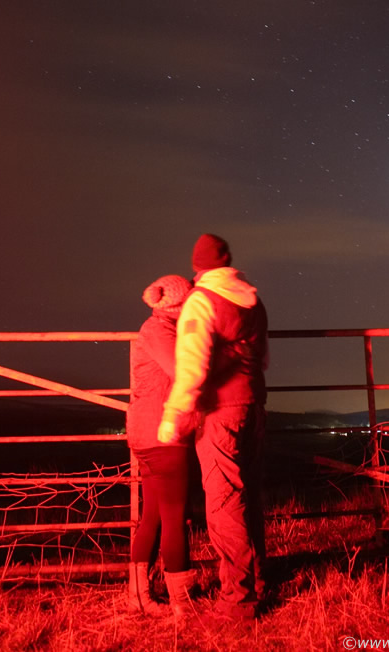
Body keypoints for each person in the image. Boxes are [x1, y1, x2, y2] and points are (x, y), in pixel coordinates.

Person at [158, 234, 268, 623]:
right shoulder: (252, 299)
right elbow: (263, 356)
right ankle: (257, 582)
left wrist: (173, 416)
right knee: (249, 497)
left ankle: (236, 601)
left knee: (223, 502)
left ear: (197, 267)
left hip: (220, 411)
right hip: (253, 405)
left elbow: (191, 367)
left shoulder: (201, 301)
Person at [126, 273, 198, 617]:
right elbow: (183, 373)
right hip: (163, 434)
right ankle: (183, 605)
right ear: (181, 304)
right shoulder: (161, 332)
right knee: (174, 516)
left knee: (153, 515)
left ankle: (139, 597)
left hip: (145, 432)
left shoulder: (154, 329)